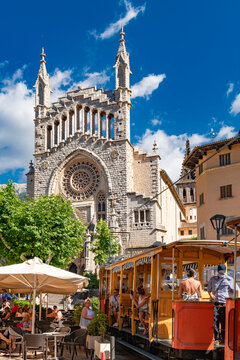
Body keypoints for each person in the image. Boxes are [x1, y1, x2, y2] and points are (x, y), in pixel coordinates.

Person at [208, 264, 240, 345]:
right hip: (215, 303)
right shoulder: (212, 279)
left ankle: (223, 338)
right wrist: (210, 295)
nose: (221, 274)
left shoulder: (229, 279)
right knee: (214, 321)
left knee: (224, 321)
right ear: (217, 271)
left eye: (222, 272)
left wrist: (237, 300)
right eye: (220, 272)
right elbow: (209, 290)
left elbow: (237, 290)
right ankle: (217, 338)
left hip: (225, 304)